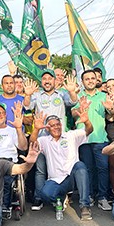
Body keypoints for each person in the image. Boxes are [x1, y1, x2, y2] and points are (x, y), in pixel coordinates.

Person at [23, 70, 78, 211]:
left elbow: (73, 101)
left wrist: (71, 91)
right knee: (40, 170)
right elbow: (27, 106)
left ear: (54, 81)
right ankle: (39, 197)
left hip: (59, 139)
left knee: (61, 170)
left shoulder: (61, 94)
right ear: (42, 82)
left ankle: (59, 195)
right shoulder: (36, 95)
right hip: (41, 139)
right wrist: (28, 94)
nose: (47, 81)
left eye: (50, 78)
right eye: (44, 78)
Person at [30, 100, 94, 220]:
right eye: (52, 125)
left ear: (61, 125)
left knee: (80, 166)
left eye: (58, 124)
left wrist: (87, 121)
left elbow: (88, 130)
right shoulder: (44, 140)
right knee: (45, 194)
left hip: (72, 177)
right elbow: (33, 142)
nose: (56, 127)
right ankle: (61, 197)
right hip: (56, 179)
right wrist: (36, 129)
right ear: (47, 128)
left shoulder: (71, 135)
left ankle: (84, 206)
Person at [74, 70, 114, 211]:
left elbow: (111, 116)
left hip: (100, 138)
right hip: (84, 139)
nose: (90, 80)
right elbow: (73, 114)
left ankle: (103, 197)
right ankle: (90, 195)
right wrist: (80, 108)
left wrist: (111, 108)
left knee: (103, 168)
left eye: (93, 78)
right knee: (87, 169)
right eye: (87, 79)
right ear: (82, 81)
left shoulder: (104, 96)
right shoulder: (78, 95)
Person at [0, 102, 27, 218]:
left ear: (6, 115)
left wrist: (18, 129)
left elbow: (23, 147)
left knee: (5, 179)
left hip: (8, 161)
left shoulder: (12, 131)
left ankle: (3, 207)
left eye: (1, 113)